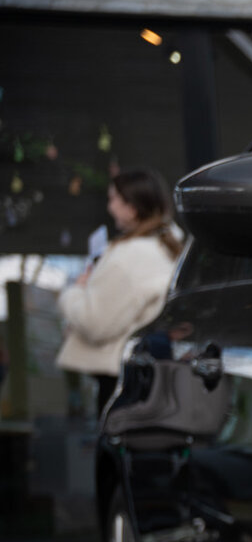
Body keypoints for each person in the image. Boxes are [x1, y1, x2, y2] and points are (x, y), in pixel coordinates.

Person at [56, 169, 183, 414]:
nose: (109, 206)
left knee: (118, 436)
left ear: (132, 208)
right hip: (151, 376)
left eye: (113, 199)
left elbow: (95, 323)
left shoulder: (128, 258)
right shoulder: (167, 248)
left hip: (123, 382)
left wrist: (74, 292)